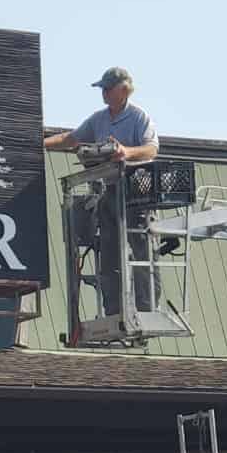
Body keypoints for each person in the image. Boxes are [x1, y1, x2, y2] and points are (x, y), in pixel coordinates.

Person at [44, 67, 161, 314]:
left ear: (124, 89)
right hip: (107, 193)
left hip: (135, 194)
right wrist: (39, 143)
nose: (104, 94)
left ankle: (147, 309)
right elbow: (71, 139)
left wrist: (127, 152)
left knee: (141, 250)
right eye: (103, 89)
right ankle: (114, 311)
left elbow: (151, 149)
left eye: (107, 89)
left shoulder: (139, 117)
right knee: (109, 253)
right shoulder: (99, 119)